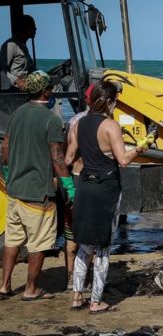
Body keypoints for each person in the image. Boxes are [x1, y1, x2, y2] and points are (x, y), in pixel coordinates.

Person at [68, 80, 153, 313]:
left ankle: (77, 297)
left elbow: (69, 157)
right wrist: (140, 148)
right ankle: (96, 301)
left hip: (84, 186)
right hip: (106, 189)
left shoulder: (78, 124)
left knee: (84, 244)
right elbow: (123, 160)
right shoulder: (110, 125)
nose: (116, 104)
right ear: (107, 101)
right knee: (104, 246)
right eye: (115, 100)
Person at [0, 71, 75, 301]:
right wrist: (69, 186)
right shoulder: (51, 120)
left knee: (12, 240)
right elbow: (57, 158)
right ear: (45, 91)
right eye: (50, 88)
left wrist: (7, 171)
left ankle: (4, 285)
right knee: (39, 243)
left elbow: (5, 149)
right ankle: (31, 289)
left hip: (15, 190)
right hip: (38, 193)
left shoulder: (17, 114)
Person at [62, 83, 95, 291]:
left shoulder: (73, 121)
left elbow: (67, 157)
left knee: (71, 232)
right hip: (90, 180)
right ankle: (85, 279)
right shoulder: (105, 123)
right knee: (89, 234)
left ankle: (70, 278)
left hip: (73, 178)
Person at [1, 15, 37, 92]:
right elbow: (2, 71)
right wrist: (17, 81)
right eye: (32, 26)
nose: (35, 29)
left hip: (24, 87)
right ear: (24, 28)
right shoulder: (11, 45)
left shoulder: (23, 47)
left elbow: (31, 67)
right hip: (13, 90)